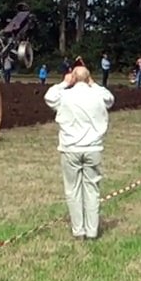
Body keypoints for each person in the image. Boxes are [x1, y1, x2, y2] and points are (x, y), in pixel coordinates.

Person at [44, 66, 115, 240]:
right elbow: (110, 98)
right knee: (92, 190)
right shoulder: (98, 94)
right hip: (93, 148)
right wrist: (91, 82)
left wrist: (65, 82)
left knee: (73, 190)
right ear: (89, 78)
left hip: (71, 148)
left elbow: (49, 97)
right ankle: (92, 231)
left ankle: (78, 231)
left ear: (74, 78)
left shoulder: (65, 96)